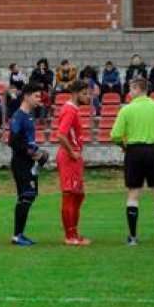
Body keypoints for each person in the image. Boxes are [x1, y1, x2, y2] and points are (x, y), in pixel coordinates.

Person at [110, 77, 154, 246]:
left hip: (134, 152)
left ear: (138, 89)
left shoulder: (126, 110)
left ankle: (132, 237)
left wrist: (124, 146)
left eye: (131, 89)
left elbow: (115, 135)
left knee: (133, 193)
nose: (129, 93)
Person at [8, 84, 47, 246]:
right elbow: (13, 141)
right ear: (26, 96)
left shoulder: (29, 116)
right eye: (36, 96)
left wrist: (39, 152)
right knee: (27, 195)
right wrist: (31, 152)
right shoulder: (18, 116)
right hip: (21, 162)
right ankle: (17, 235)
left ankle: (19, 234)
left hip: (29, 161)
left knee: (29, 195)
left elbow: (28, 140)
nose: (39, 99)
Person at [56, 81, 92, 246]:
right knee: (69, 195)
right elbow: (61, 135)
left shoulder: (73, 110)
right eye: (85, 93)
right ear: (76, 93)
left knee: (78, 195)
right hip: (69, 158)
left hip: (74, 158)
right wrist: (72, 152)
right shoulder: (69, 110)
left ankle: (74, 232)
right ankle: (70, 236)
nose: (88, 96)